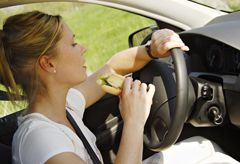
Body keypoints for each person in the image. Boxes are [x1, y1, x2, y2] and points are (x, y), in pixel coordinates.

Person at [0, 11, 238, 164]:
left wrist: (152, 49)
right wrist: (134, 120)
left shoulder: (65, 104)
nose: (82, 48)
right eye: (72, 44)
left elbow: (111, 69)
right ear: (48, 63)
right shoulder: (41, 140)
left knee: (205, 148)